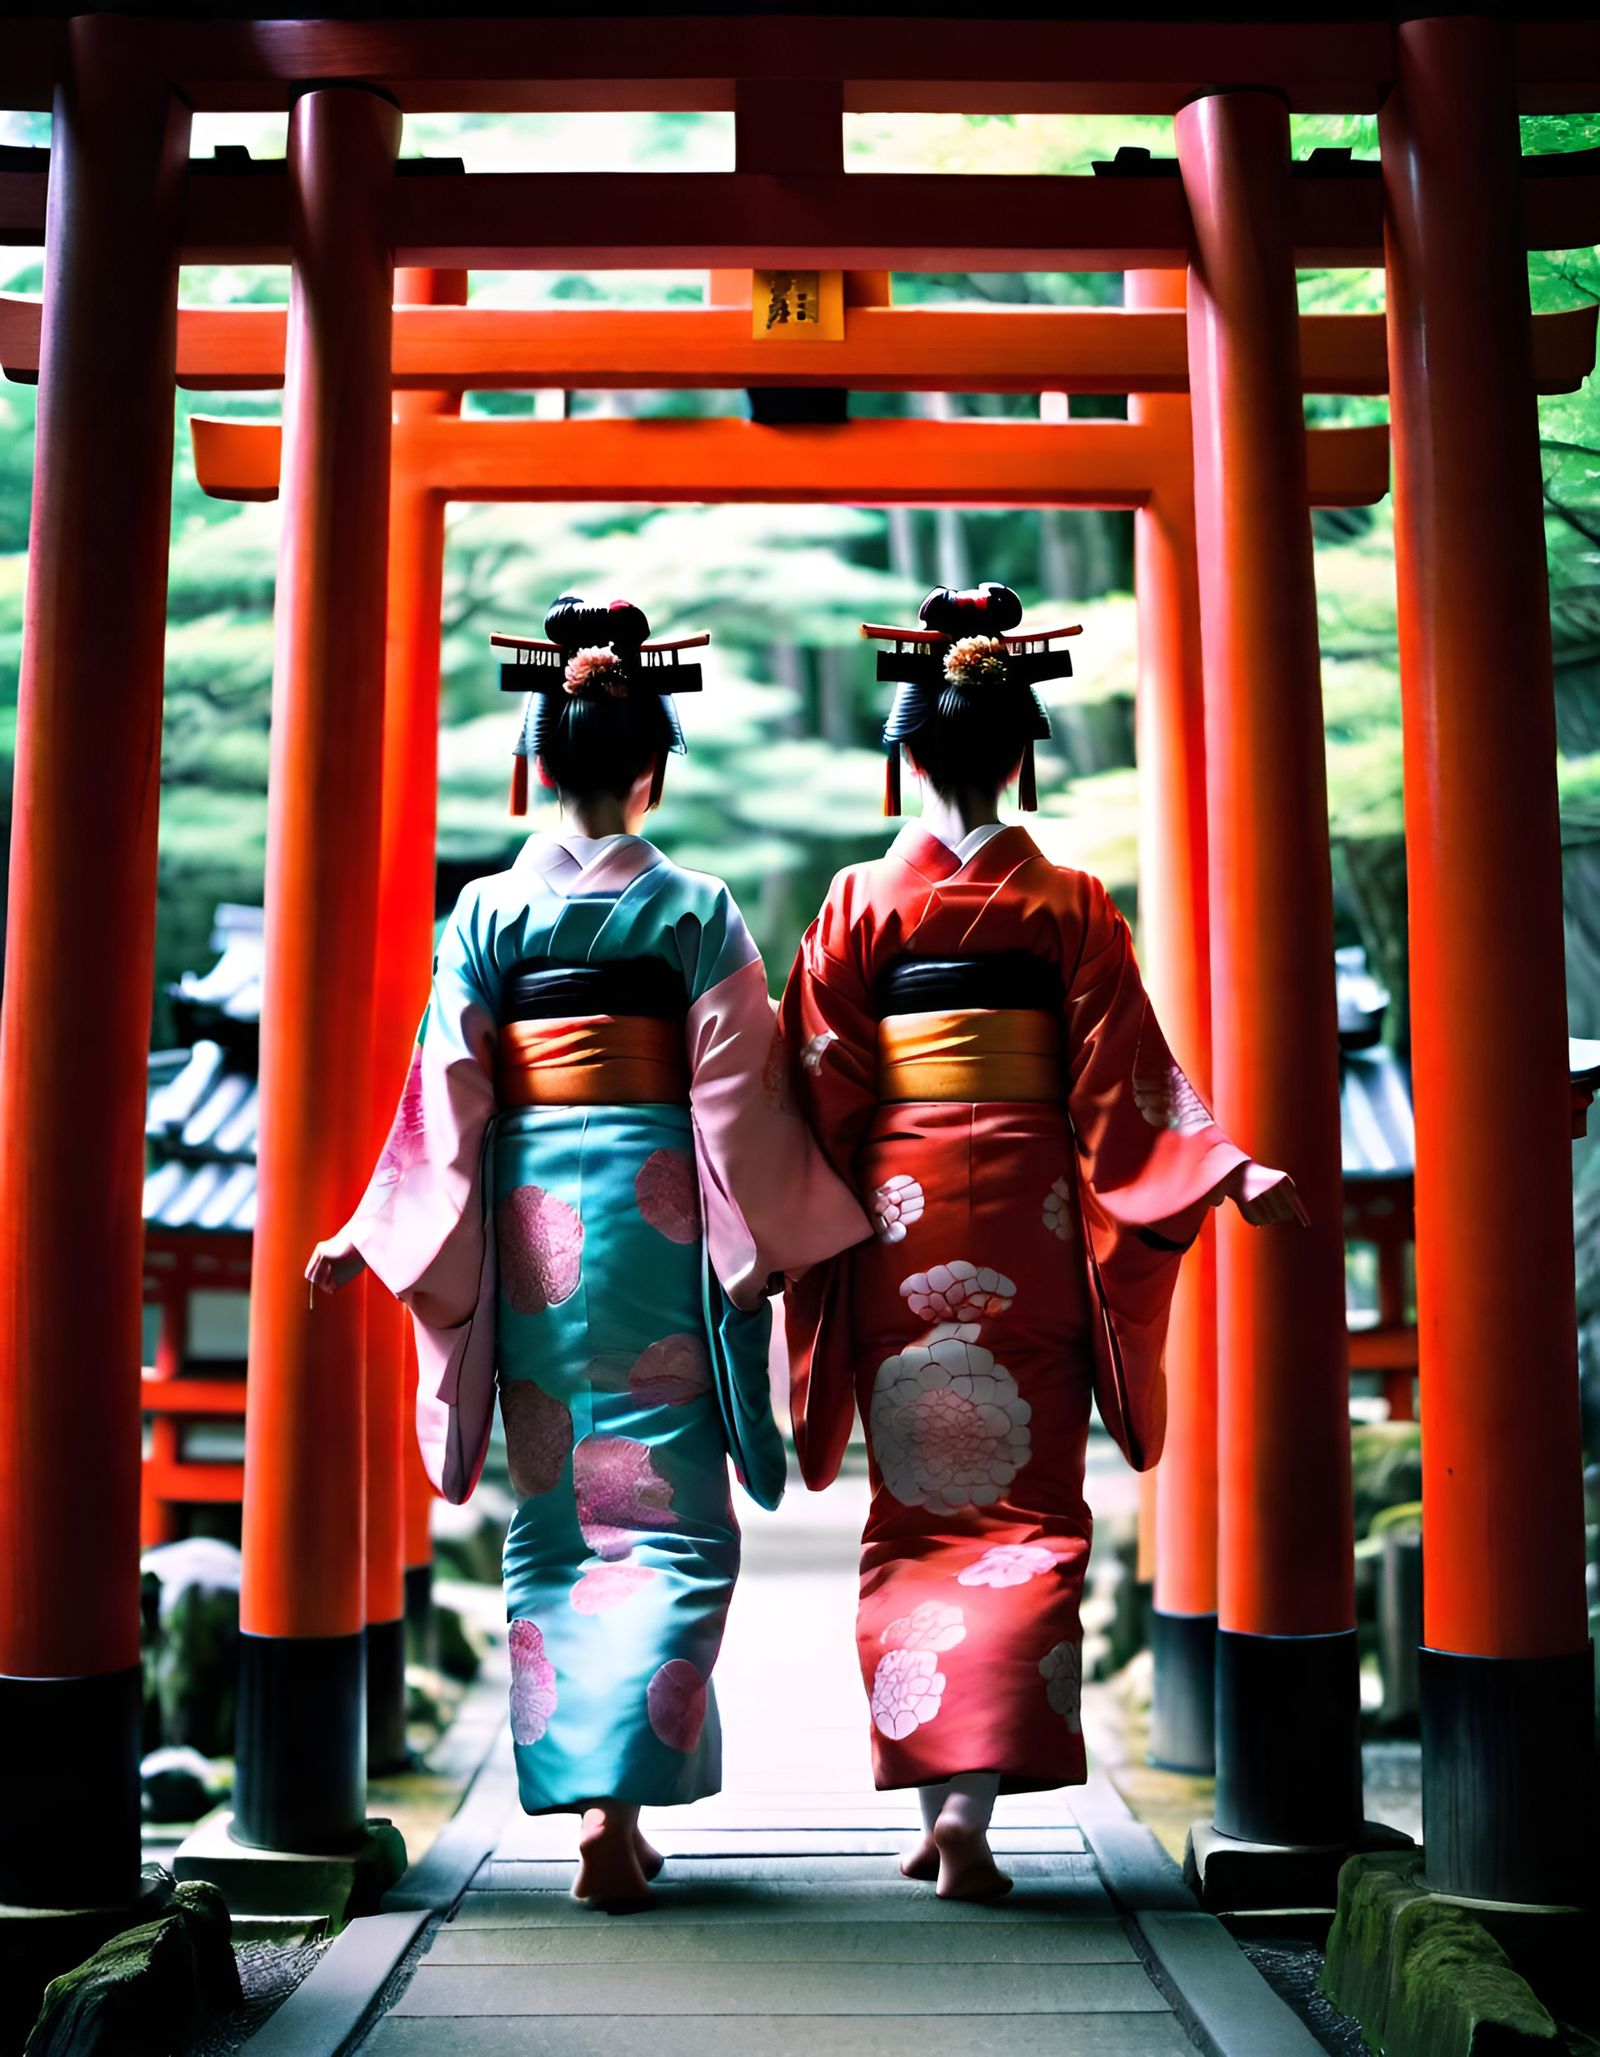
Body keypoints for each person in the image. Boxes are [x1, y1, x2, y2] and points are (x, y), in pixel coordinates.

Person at [307, 594, 867, 1911]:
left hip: (533, 1227)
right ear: (652, 771)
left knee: (557, 1514)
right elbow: (736, 1094)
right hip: (661, 1221)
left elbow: (446, 1093)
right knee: (673, 1523)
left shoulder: (486, 914)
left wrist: (368, 1228)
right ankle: (626, 1796)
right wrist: (779, 1236)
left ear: (537, 763)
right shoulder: (700, 908)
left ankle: (590, 1814)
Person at [779, 582, 1305, 1902]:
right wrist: (1224, 1168)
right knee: (1022, 1508)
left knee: (916, 1513)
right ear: (1022, 752)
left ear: (906, 751)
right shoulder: (1070, 899)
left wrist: (776, 1231)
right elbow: (1130, 1090)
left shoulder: (855, 899)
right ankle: (971, 1809)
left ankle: (936, 1789)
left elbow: (818, 1090)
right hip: (1034, 1218)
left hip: (900, 1230)